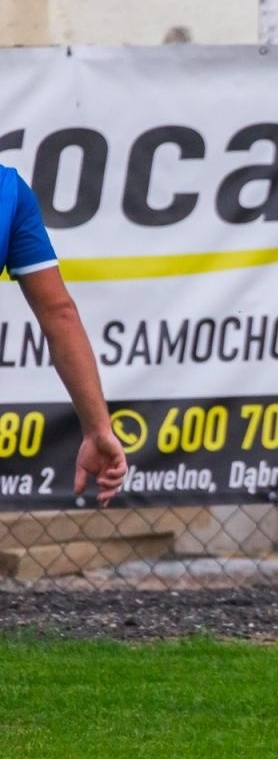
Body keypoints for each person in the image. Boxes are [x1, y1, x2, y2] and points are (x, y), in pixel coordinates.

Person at [2, 164, 126, 505]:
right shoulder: (7, 189)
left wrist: (98, 428)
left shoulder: (9, 191)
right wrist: (97, 428)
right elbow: (60, 315)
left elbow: (59, 315)